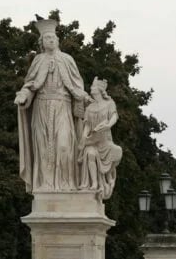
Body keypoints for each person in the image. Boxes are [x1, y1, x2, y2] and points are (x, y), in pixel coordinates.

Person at [15, 18, 92, 193]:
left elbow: (77, 86)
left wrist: (86, 98)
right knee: (43, 149)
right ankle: (45, 185)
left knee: (64, 146)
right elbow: (30, 84)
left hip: (62, 107)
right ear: (42, 42)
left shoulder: (67, 59)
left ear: (57, 40)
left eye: (52, 37)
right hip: (41, 109)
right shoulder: (38, 60)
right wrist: (23, 95)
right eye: (46, 38)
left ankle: (66, 185)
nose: (50, 40)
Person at [77, 77, 123, 200]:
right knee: (89, 153)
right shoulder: (90, 108)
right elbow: (86, 126)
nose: (91, 88)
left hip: (105, 141)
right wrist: (83, 138)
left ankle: (109, 178)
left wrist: (108, 124)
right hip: (93, 140)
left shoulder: (109, 103)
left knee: (117, 151)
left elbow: (114, 116)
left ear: (99, 90)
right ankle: (94, 184)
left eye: (93, 87)